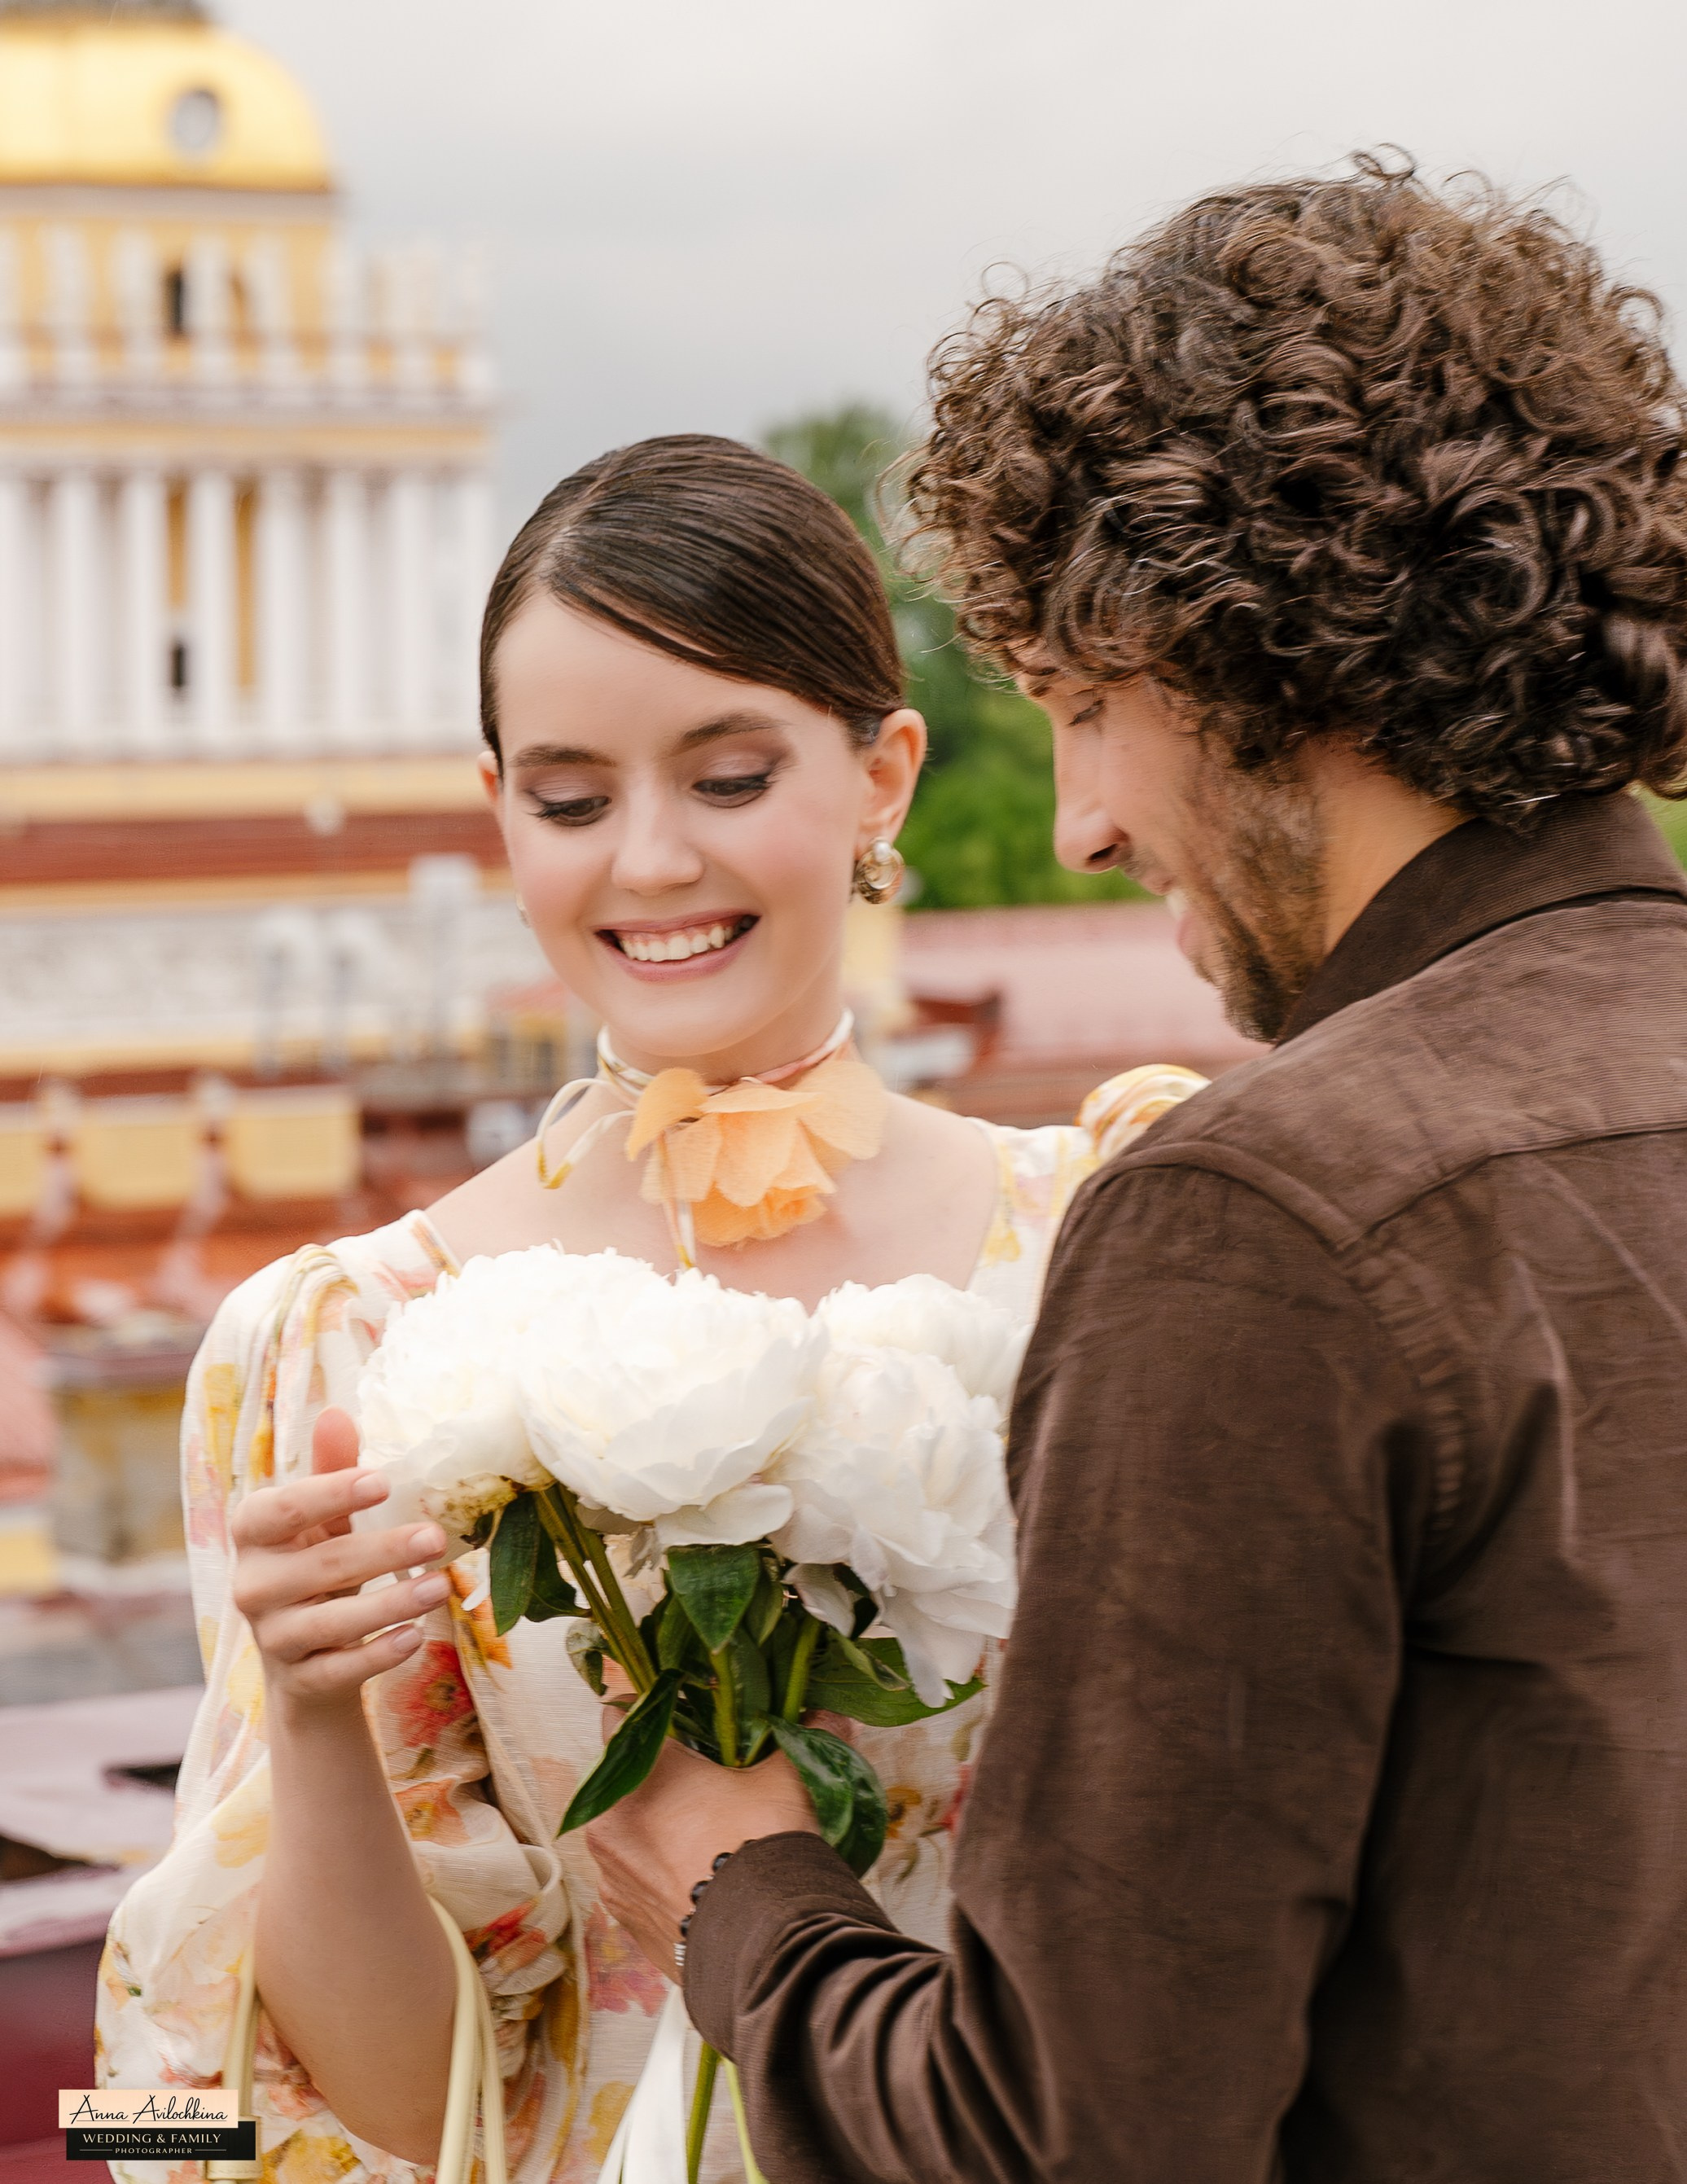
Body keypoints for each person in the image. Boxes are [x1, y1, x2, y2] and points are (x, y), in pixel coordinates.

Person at [586, 160, 1687, 2181]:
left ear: (1275, 666)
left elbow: (1073, 2137)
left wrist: (752, 1902)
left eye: (1091, 710)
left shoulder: (1264, 1216)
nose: (1082, 820)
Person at [95, 435, 1182, 2184]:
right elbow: (372, 2109)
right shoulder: (350, 1340)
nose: (651, 864)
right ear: (499, 810)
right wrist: (308, 1714)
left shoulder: (1113, 1246)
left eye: (731, 776)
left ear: (886, 775)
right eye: (572, 799)